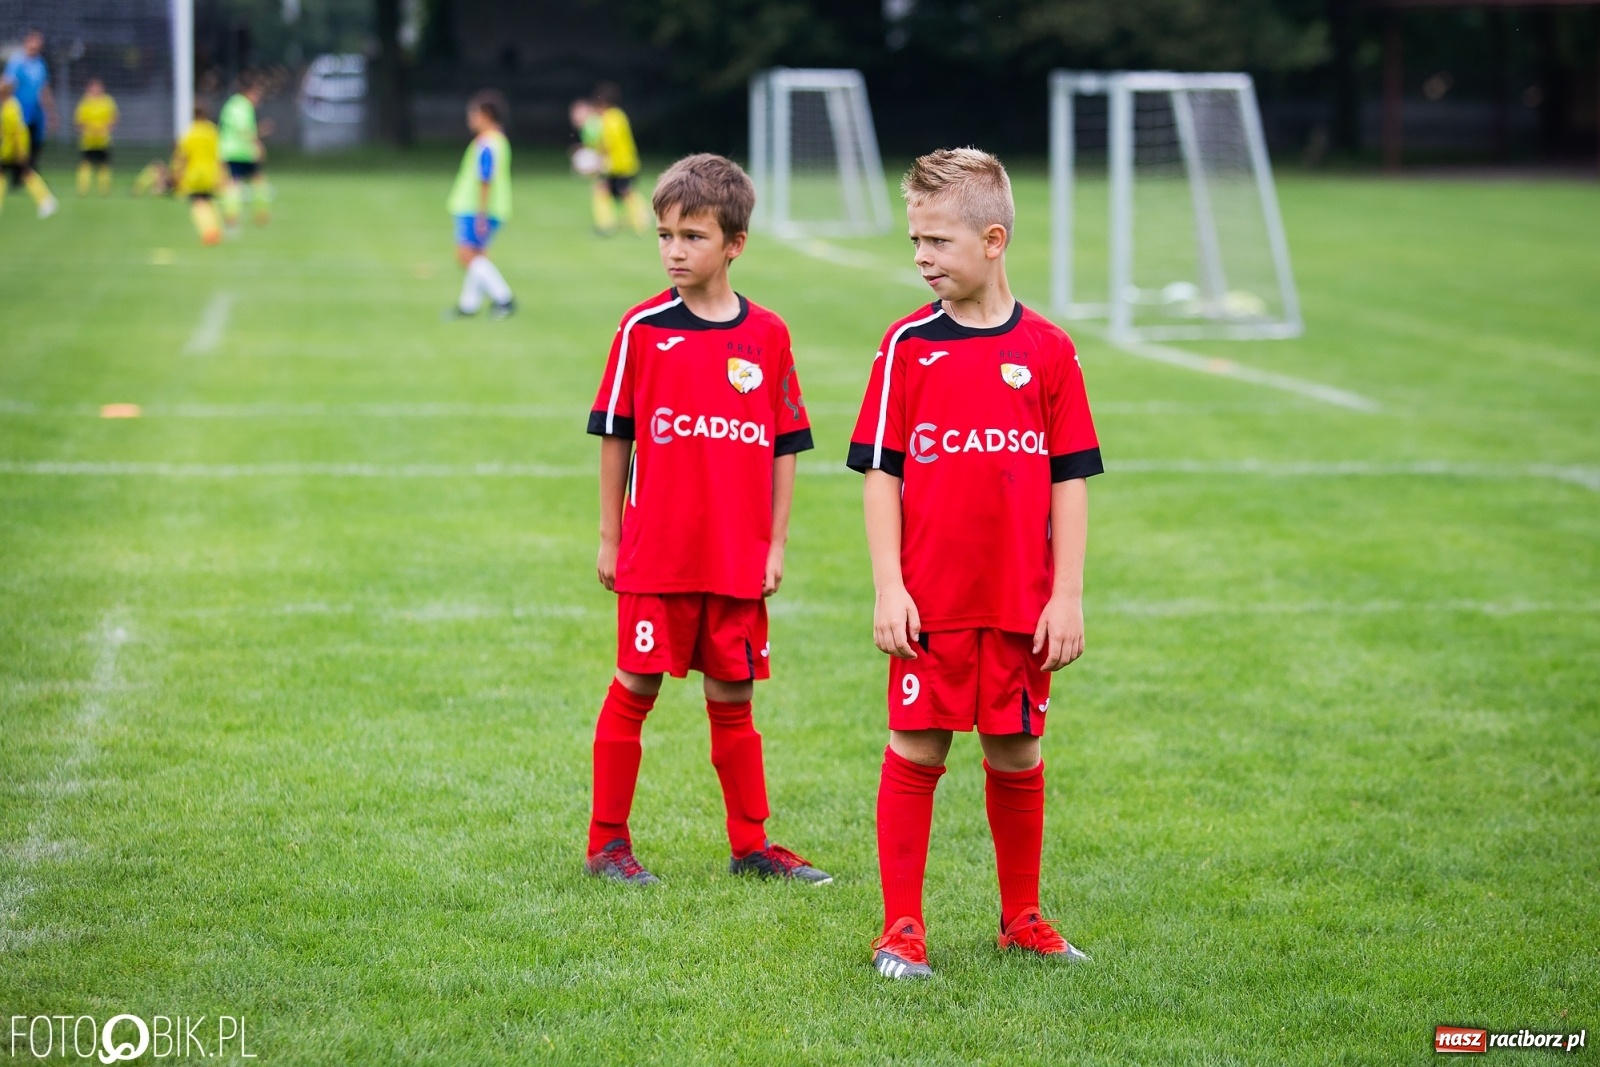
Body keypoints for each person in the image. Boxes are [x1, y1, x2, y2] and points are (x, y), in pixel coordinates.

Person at [846, 148, 1103, 979]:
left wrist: (1067, 595)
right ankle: (901, 929)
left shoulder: (1049, 350)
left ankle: (1022, 917)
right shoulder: (907, 346)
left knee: (1017, 752)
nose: (922, 257)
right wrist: (890, 586)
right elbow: (881, 474)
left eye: (937, 242)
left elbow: (1070, 478)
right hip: (932, 601)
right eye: (915, 241)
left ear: (993, 241)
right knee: (917, 748)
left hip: (1021, 601)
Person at [583, 153, 829, 887]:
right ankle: (606, 845)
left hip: (736, 553)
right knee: (636, 687)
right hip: (657, 551)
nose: (674, 251)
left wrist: (775, 543)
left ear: (734, 244)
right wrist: (610, 536)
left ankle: (751, 844)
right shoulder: (642, 329)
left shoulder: (768, 335)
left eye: (692, 236)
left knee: (734, 697)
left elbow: (785, 445)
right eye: (664, 235)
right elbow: (615, 435)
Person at [446, 90, 515, 318]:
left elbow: (485, 179)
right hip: (490, 207)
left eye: (474, 113)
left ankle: (503, 298)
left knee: (466, 255)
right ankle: (469, 305)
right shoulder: (499, 140)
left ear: (486, 114)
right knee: (478, 256)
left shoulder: (487, 143)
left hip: (476, 208)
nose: (471, 119)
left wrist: (481, 214)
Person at [590, 82, 649, 236]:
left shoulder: (609, 119)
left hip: (618, 165)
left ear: (602, 103)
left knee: (624, 193)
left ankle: (635, 222)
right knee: (608, 191)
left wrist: (596, 158)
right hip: (626, 163)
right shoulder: (620, 116)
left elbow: (608, 143)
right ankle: (612, 224)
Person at [218, 76, 272, 228]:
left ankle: (231, 216)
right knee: (258, 181)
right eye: (257, 94)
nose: (258, 98)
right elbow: (244, 130)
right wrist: (258, 145)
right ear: (249, 92)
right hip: (243, 151)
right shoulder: (244, 106)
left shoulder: (231, 104)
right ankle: (261, 214)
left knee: (233, 183)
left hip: (227, 150)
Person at [0, 78, 56, 217]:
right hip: (11, 149)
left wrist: (19, 151)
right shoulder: (9, 105)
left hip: (13, 149)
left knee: (26, 172)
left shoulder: (10, 108)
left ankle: (46, 200)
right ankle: (46, 200)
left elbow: (16, 132)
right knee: (20, 173)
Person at [172, 104, 223, 245]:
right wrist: (222, 175)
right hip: (210, 173)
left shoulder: (189, 133)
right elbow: (218, 155)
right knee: (209, 201)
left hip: (194, 175)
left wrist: (177, 174)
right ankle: (214, 228)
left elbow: (182, 157)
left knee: (198, 203)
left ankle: (208, 231)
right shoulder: (212, 132)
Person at [3, 31, 54, 172]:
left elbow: (44, 88)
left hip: (36, 112)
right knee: (16, 146)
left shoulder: (40, 64)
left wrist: (51, 112)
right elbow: (7, 84)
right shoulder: (17, 62)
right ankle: (20, 173)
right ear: (26, 43)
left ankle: (27, 171)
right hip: (18, 112)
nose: (35, 49)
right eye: (32, 45)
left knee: (35, 144)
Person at [74, 77, 119, 196]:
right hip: (88, 140)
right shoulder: (85, 102)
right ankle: (83, 190)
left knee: (103, 165)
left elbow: (114, 118)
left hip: (103, 140)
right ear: (89, 89)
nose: (96, 90)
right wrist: (87, 130)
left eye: (98, 87)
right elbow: (79, 121)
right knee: (85, 164)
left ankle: (104, 190)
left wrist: (106, 129)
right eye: (93, 88)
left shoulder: (108, 101)